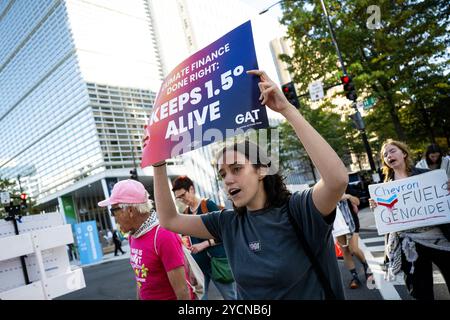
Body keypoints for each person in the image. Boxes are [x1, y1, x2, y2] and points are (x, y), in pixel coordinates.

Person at [151, 70, 348, 299]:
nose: (228, 179)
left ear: (261, 169)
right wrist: (158, 164)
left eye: (236, 169)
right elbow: (169, 220)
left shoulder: (300, 210)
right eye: (222, 174)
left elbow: (337, 180)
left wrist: (287, 110)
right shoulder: (227, 223)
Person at [370, 139, 450, 300]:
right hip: (410, 245)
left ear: (404, 153)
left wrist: (446, 189)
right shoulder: (384, 188)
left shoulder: (427, 176)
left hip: (438, 238)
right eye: (385, 155)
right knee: (421, 290)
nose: (389, 155)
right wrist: (376, 206)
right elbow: (388, 217)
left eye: (392, 151)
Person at [98, 179, 193, 300]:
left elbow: (183, 291)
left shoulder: (163, 236)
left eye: (113, 211)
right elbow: (141, 280)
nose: (113, 217)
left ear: (130, 210)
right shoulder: (134, 235)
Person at [172, 175, 236, 300]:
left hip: (217, 263)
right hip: (198, 266)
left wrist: (204, 244)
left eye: (182, 195)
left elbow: (224, 233)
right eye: (178, 198)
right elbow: (187, 239)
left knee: (230, 297)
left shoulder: (208, 205)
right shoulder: (186, 213)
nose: (181, 200)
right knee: (199, 298)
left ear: (191, 189)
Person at [335, 194, 373, 289]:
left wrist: (347, 196)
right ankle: (355, 277)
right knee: (345, 251)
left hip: (351, 221)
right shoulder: (327, 190)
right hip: (337, 224)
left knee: (354, 249)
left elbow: (357, 201)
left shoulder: (345, 186)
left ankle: (367, 268)